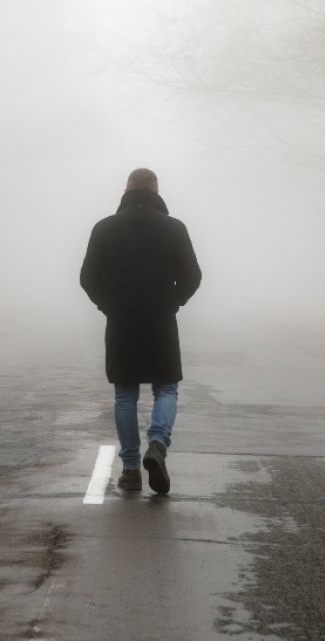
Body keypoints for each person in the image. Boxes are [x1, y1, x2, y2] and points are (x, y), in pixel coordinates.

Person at [79, 168, 202, 495]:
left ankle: (131, 470)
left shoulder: (104, 228)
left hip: (121, 321)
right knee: (166, 388)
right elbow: (192, 276)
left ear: (126, 190)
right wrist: (172, 303)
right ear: (157, 191)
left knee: (125, 394)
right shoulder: (174, 229)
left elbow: (88, 278)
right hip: (161, 319)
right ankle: (158, 445)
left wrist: (108, 305)